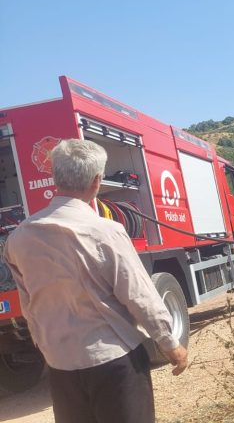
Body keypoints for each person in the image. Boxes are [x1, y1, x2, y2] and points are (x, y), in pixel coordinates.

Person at [3, 139, 188, 423]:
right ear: (97, 181)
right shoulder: (106, 232)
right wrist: (169, 342)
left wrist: (47, 347)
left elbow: (29, 305)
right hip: (114, 362)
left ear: (55, 178)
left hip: (61, 367)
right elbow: (138, 294)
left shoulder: (18, 239)